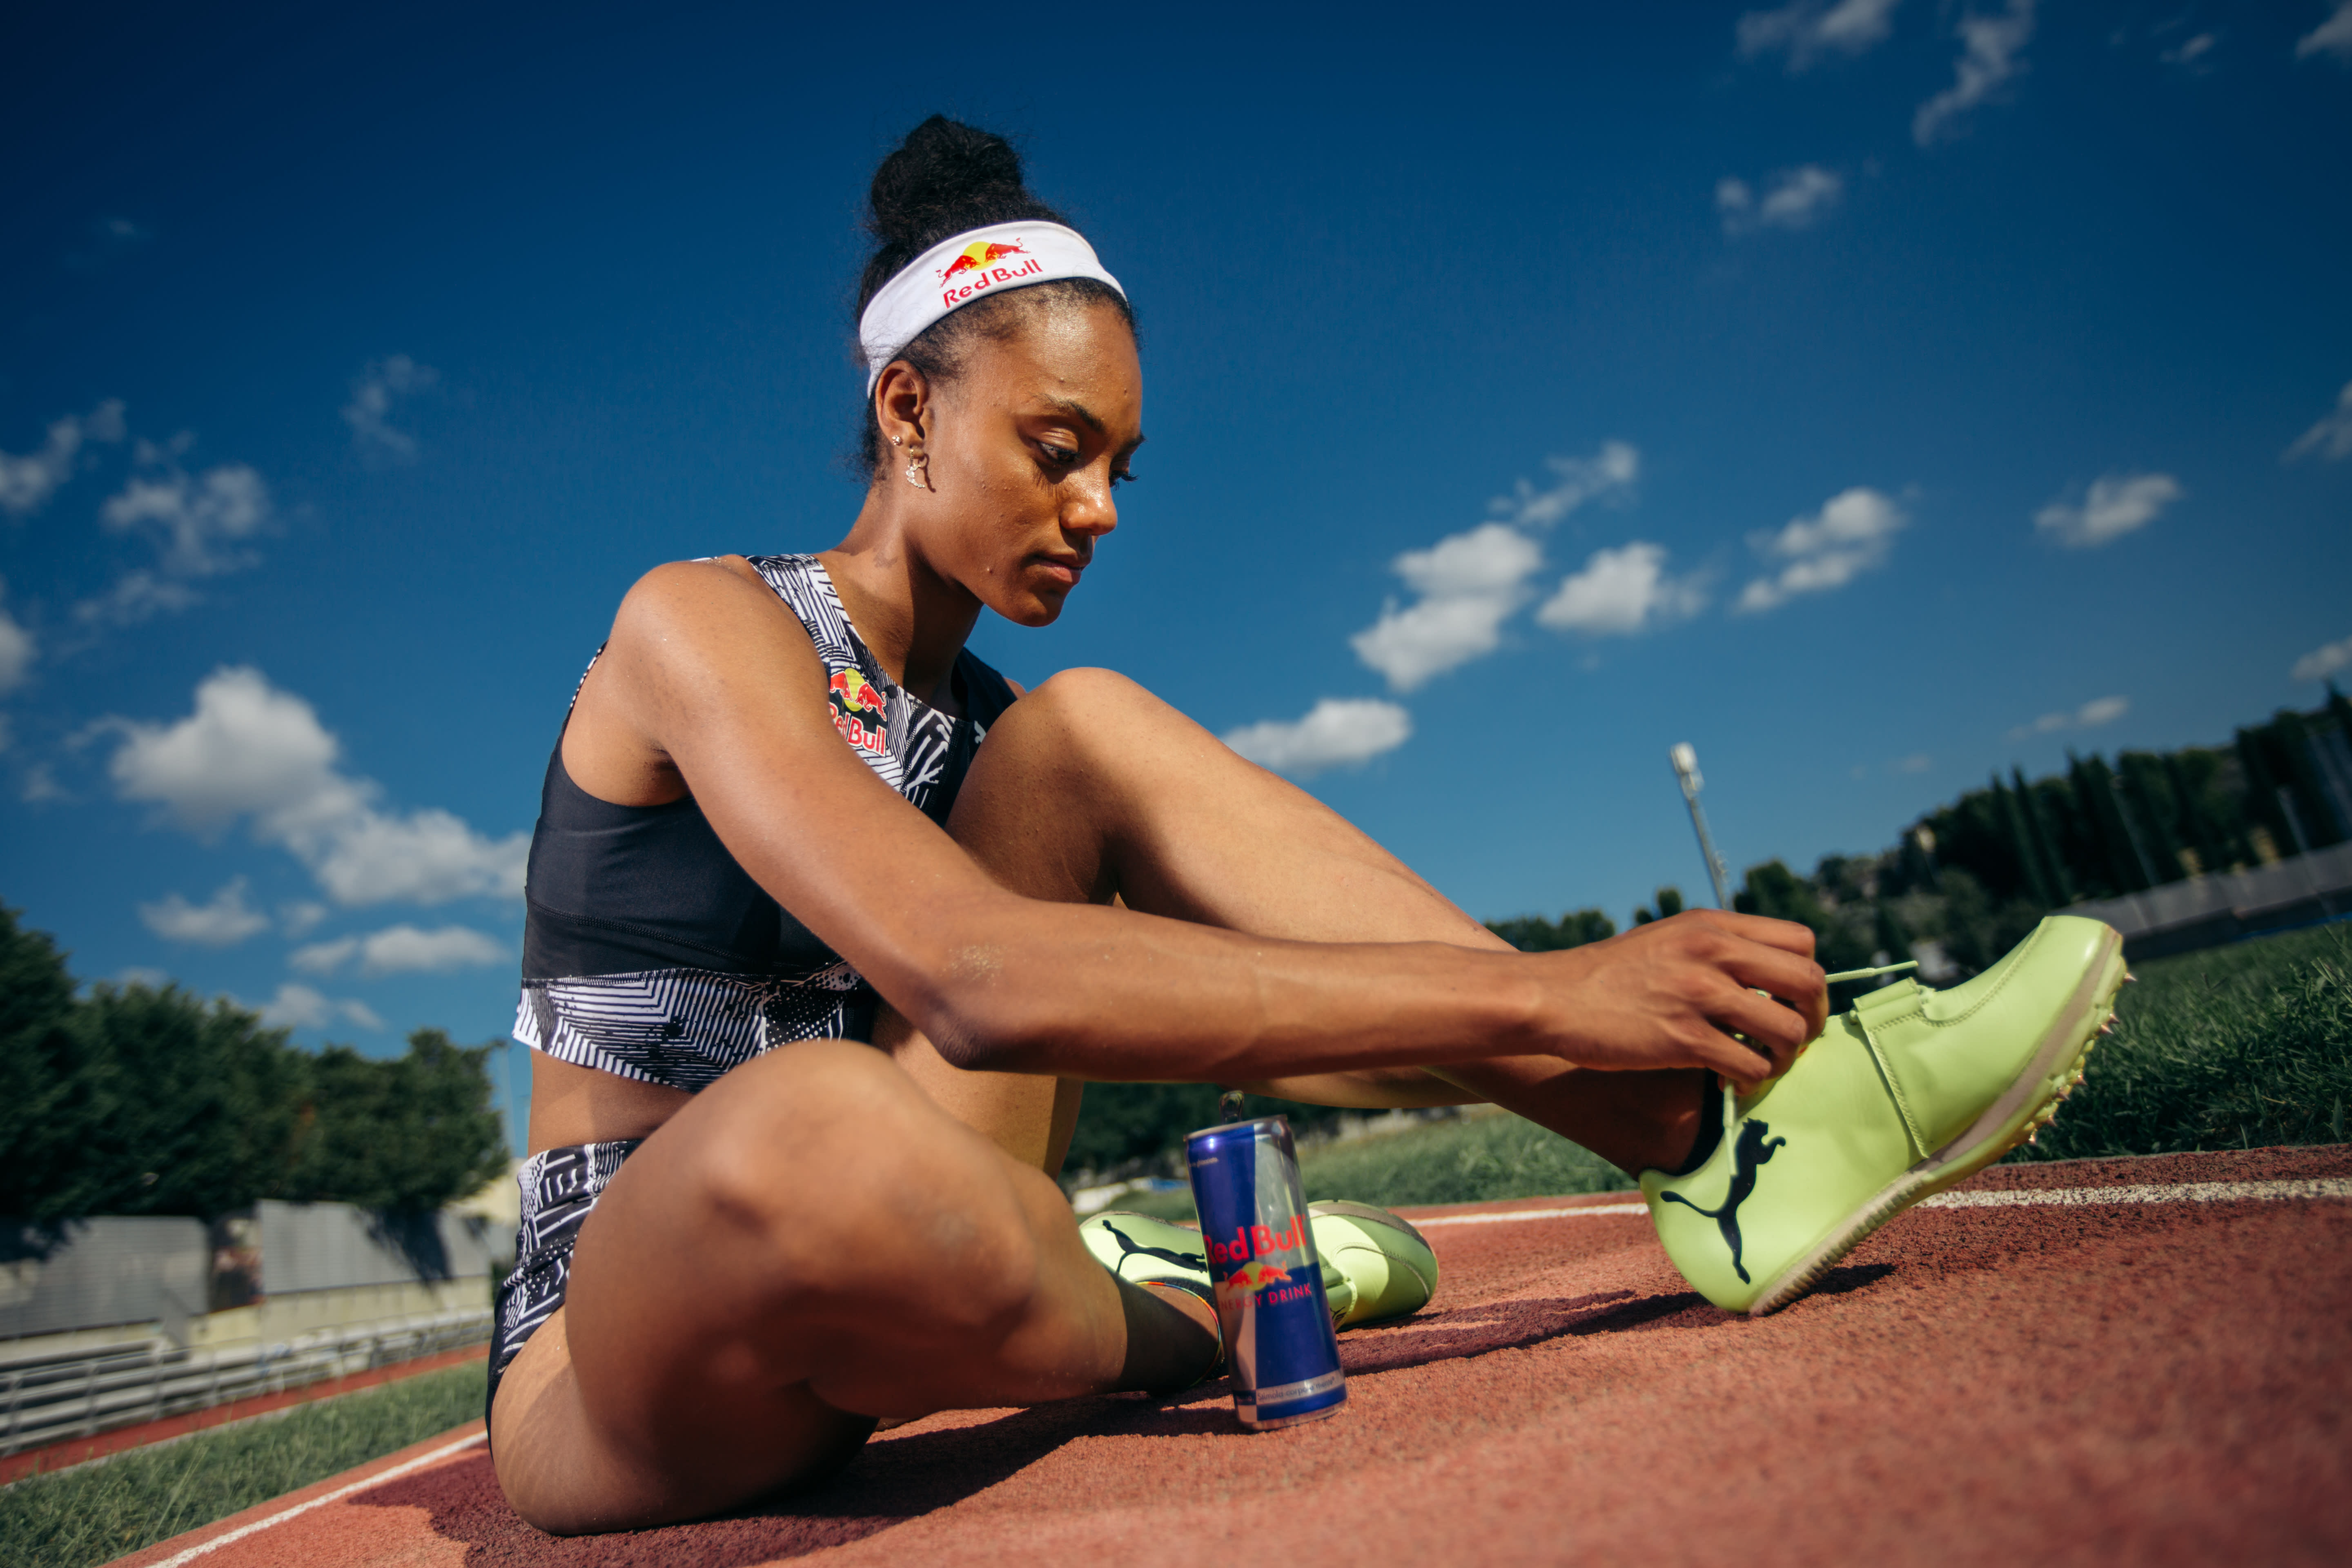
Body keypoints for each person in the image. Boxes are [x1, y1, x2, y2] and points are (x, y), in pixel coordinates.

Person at [487, 116, 2122, 1535]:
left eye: (1124, 466)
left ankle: (1713, 1141)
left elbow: (1259, 1017)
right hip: (643, 1303)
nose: (1102, 510)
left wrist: (1628, 1034)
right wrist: (1556, 989)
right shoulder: (697, 625)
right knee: (812, 1129)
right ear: (907, 411)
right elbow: (971, 976)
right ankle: (1188, 1299)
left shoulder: (1001, 745)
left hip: (922, 1204)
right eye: (1058, 452)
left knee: (1092, 735)